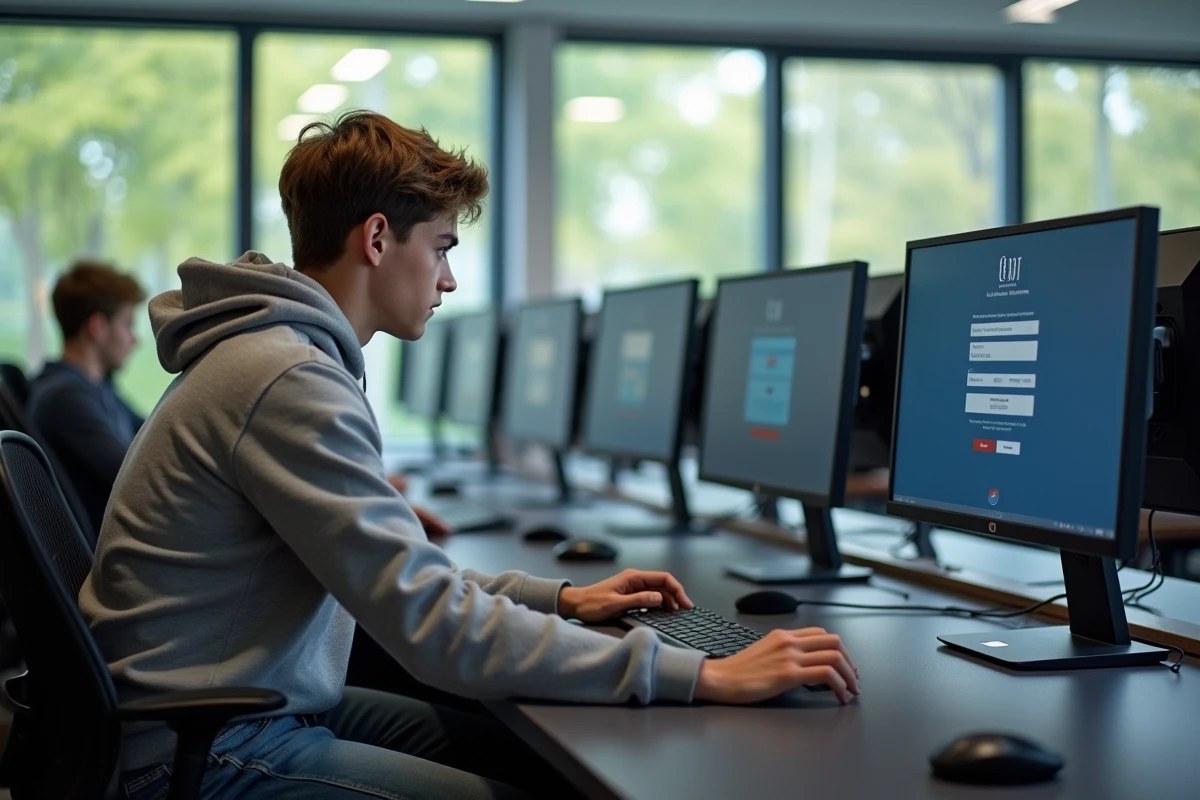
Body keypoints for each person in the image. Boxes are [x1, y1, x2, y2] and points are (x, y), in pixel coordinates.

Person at [80, 111, 860, 800]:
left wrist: (558, 599)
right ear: (377, 239)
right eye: (442, 248)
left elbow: (402, 577)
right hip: (201, 747)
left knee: (527, 759)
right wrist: (700, 672)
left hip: (241, 706)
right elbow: (429, 623)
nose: (450, 280)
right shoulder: (288, 376)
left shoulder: (281, 357)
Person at [27, 260, 146, 537]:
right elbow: (136, 476)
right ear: (97, 327)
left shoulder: (97, 388)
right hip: (110, 551)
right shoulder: (64, 398)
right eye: (127, 325)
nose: (134, 340)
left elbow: (153, 432)